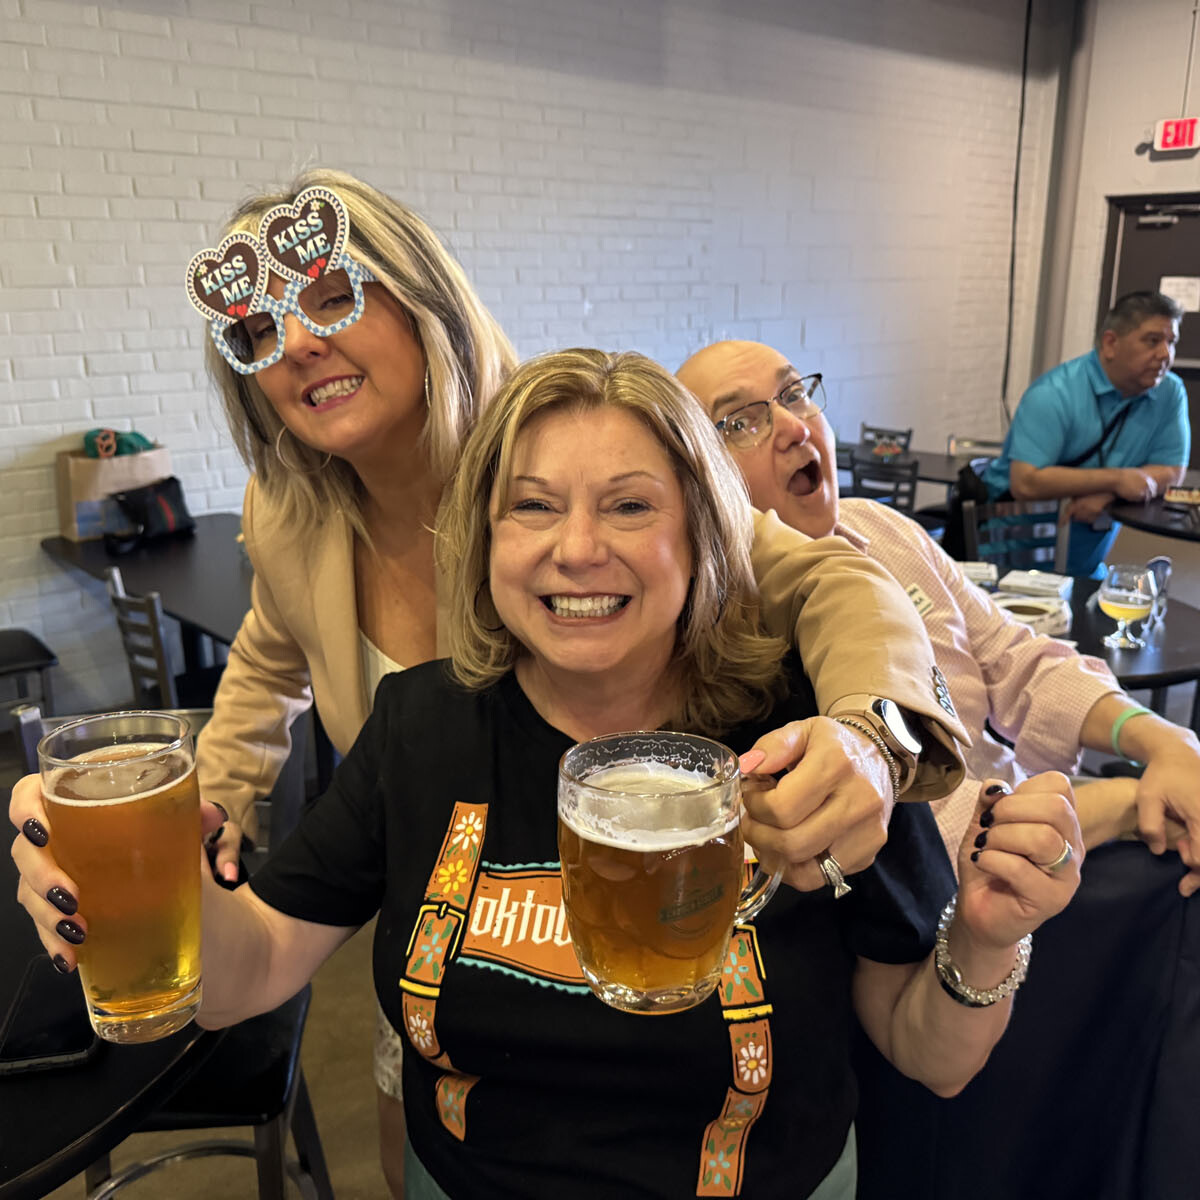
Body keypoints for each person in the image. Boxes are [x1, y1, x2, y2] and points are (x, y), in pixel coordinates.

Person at [10, 349, 1082, 1199]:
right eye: (531, 506)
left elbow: (933, 1055)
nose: (576, 549)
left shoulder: (810, 742)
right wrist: (138, 876)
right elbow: (251, 972)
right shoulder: (421, 726)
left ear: (704, 537)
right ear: (483, 539)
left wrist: (990, 935)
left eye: (628, 506)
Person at [177, 169, 969, 1193]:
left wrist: (867, 732)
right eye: (257, 331)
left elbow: (827, 579)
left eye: (332, 296)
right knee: (424, 1117)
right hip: (435, 920)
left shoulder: (560, 428)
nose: (303, 345)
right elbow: (266, 658)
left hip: (708, 1099)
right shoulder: (294, 516)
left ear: (423, 302)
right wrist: (193, 821)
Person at [676, 339, 1200, 895]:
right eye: (740, 423)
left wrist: (1162, 741)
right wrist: (1125, 802)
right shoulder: (738, 636)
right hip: (975, 898)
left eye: (795, 394)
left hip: (1047, 817)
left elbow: (1015, 656)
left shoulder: (879, 528)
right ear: (699, 483)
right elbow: (924, 835)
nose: (794, 427)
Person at [980, 291, 1190, 578]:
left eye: (1171, 342)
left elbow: (1171, 471)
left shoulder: (1169, 392)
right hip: (1011, 564)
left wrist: (1108, 495)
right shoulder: (1054, 394)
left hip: (1085, 565)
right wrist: (1118, 480)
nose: (1165, 354)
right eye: (1152, 341)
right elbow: (1026, 482)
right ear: (1111, 343)